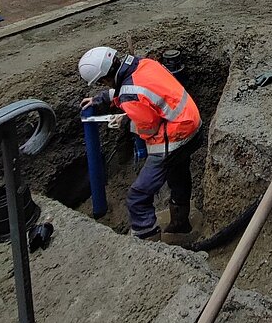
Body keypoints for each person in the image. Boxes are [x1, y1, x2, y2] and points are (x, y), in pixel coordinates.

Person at [78, 46, 202, 241]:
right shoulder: (144, 64)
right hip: (191, 122)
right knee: (178, 174)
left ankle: (149, 242)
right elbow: (136, 90)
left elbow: (149, 129)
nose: (104, 85)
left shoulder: (130, 93)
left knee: (138, 197)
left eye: (102, 83)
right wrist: (100, 99)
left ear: (104, 78)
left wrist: (127, 121)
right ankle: (180, 226)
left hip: (176, 135)